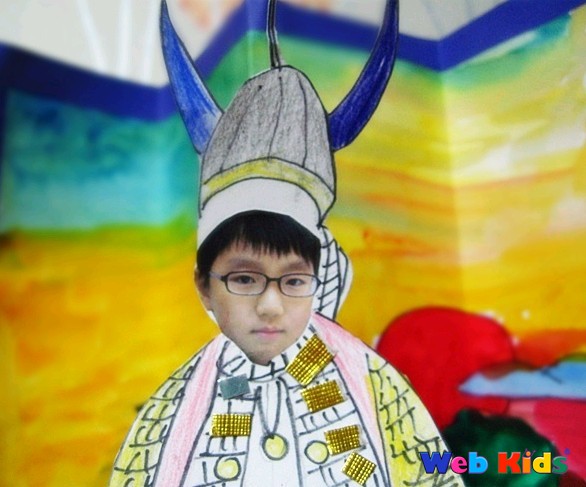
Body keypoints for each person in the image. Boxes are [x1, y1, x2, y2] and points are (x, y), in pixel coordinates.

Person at [109, 210, 464, 486]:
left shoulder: (370, 383)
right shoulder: (176, 405)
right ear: (203, 286)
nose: (270, 306)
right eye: (244, 279)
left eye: (294, 281)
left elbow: (424, 472)